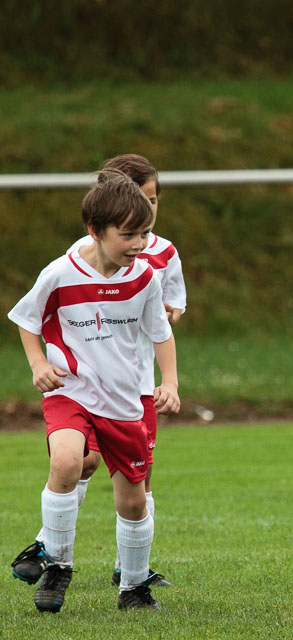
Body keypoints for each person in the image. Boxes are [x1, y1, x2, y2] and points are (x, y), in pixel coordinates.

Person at [7, 170, 180, 612]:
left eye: (143, 233)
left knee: (134, 501)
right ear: (95, 231)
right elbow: (27, 320)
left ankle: (134, 588)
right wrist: (39, 364)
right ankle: (59, 565)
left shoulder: (143, 278)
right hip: (71, 390)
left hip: (123, 400)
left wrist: (170, 382)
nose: (140, 244)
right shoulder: (61, 272)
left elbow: (161, 333)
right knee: (66, 460)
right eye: (128, 235)